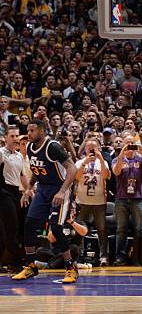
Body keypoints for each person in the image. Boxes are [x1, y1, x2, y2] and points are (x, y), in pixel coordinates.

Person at [12, 119, 77, 283]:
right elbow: (36, 169)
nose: (29, 133)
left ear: (41, 131)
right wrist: (29, 188)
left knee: (55, 228)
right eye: (28, 130)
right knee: (29, 224)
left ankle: (71, 267)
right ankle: (31, 266)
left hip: (59, 188)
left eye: (32, 130)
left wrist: (62, 191)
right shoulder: (29, 147)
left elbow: (72, 168)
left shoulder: (52, 146)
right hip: (42, 189)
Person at [111, 134, 142, 266]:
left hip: (138, 198)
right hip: (121, 198)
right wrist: (122, 154)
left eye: (131, 143)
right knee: (121, 229)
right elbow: (116, 172)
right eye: (127, 143)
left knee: (140, 229)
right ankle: (120, 257)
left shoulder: (140, 159)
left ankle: (138, 257)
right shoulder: (117, 159)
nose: (129, 146)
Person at [75, 138, 110, 266]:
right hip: (82, 201)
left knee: (102, 230)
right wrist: (85, 162)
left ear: (99, 149)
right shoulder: (79, 162)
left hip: (99, 202)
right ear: (85, 149)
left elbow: (106, 176)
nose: (91, 151)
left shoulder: (103, 162)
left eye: (94, 148)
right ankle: (78, 256)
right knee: (79, 230)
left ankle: (104, 257)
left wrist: (100, 159)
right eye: (89, 148)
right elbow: (76, 177)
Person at [0, 126, 27, 271]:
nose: (16, 138)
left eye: (17, 136)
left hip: (16, 192)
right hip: (4, 191)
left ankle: (10, 262)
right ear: (5, 138)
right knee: (12, 228)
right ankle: (16, 263)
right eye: (12, 136)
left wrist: (29, 190)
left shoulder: (18, 156)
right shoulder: (1, 153)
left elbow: (22, 175)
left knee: (7, 229)